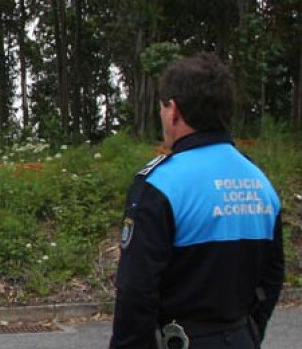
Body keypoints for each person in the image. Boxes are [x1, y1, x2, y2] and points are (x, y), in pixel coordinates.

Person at [110, 53, 284, 349]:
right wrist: (249, 332)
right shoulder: (260, 182)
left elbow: (136, 293)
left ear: (174, 110)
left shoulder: (159, 185)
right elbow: (272, 276)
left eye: (162, 108)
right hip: (241, 336)